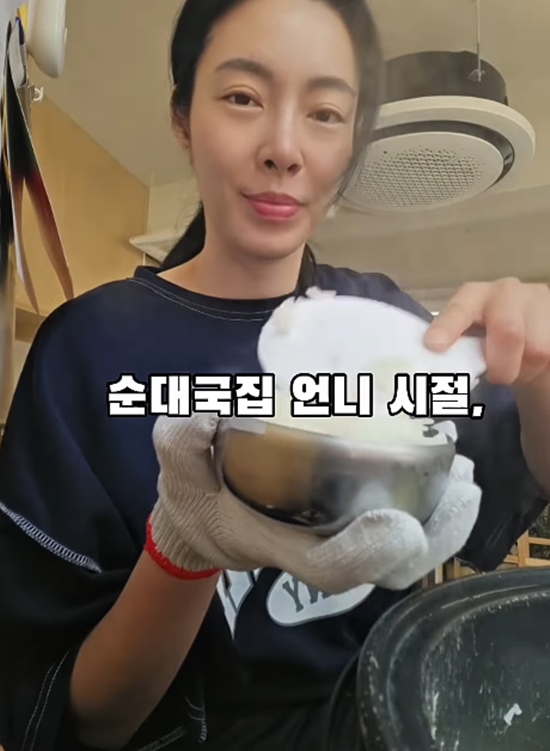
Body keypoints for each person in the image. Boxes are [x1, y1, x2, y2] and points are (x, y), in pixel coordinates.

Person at [1, 0, 550, 749]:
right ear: (183, 118)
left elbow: (529, 469)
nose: (284, 148)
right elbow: (81, 718)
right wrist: (182, 546)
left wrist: (539, 374)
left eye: (325, 113)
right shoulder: (87, 351)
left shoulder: (384, 325)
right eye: (242, 97)